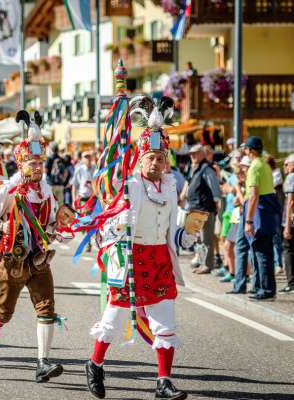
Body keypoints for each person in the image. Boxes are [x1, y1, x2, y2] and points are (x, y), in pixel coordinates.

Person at [86, 95, 194, 400]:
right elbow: (108, 220)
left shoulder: (171, 187)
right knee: (113, 323)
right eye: (151, 157)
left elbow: (173, 229)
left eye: (161, 157)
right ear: (140, 158)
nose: (156, 162)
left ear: (167, 159)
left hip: (160, 259)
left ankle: (163, 381)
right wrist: (117, 229)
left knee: (166, 324)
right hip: (131, 260)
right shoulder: (130, 186)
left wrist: (185, 237)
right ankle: (95, 365)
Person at [0, 110, 70, 383]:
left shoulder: (47, 190)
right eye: (32, 162)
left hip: (39, 260)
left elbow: (50, 223)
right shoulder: (8, 188)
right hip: (12, 260)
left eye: (40, 162)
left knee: (47, 308)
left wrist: (60, 229)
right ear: (21, 163)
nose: (38, 167)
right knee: (4, 312)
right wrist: (0, 225)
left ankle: (42, 363)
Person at [229, 136, 280, 301]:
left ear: (249, 150)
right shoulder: (264, 164)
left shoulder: (254, 168)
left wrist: (249, 221)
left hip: (259, 212)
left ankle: (266, 290)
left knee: (261, 252)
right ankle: (263, 288)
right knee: (264, 252)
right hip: (267, 211)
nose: (244, 151)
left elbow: (253, 196)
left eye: (245, 148)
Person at [181, 144, 222, 274]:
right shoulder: (194, 168)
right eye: (191, 154)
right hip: (195, 208)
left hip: (204, 208)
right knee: (198, 239)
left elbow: (214, 186)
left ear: (201, 154)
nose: (192, 156)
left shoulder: (206, 168)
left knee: (206, 239)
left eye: (195, 153)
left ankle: (207, 265)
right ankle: (202, 263)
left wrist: (216, 202)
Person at [280, 153, 294, 294]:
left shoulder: (291, 177)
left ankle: (291, 283)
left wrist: (287, 226)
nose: (284, 167)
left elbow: (290, 202)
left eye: (286, 164)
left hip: (291, 220)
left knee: (288, 250)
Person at [45, 143, 70, 207]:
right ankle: (59, 217)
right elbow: (66, 172)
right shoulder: (61, 159)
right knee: (60, 204)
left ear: (51, 149)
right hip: (60, 184)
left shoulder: (49, 158)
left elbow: (46, 171)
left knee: (52, 205)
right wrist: (64, 181)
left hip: (51, 184)